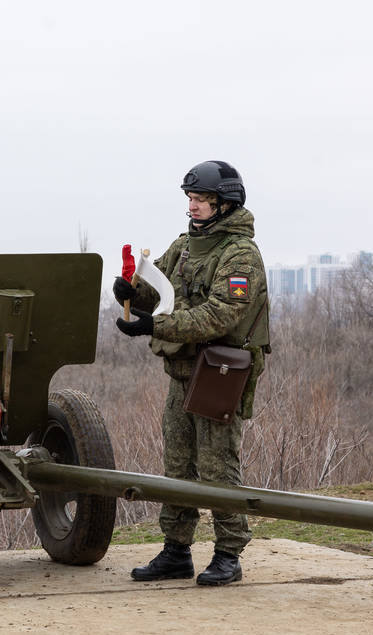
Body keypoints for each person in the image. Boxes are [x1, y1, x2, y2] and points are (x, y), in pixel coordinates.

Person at [113, 160, 270, 586]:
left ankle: (228, 553)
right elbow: (159, 291)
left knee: (218, 467)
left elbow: (220, 315)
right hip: (182, 371)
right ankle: (176, 550)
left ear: (225, 203)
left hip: (220, 373)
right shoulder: (183, 246)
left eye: (201, 199)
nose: (193, 205)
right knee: (177, 465)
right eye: (191, 198)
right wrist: (131, 293)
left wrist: (153, 325)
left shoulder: (241, 254)